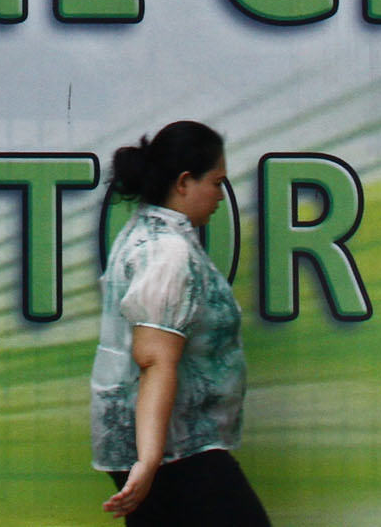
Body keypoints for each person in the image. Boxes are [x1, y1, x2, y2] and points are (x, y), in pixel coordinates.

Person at [92, 121, 269, 525]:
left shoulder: (145, 232)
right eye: (217, 182)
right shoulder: (167, 253)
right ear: (185, 182)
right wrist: (151, 459)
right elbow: (156, 358)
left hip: (167, 446)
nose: (221, 196)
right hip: (177, 449)